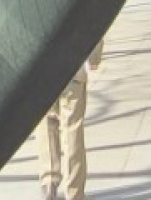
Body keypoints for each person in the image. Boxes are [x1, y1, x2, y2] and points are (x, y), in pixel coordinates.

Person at [38, 40, 105, 200]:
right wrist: (94, 58)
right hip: (72, 67)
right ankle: (74, 193)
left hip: (42, 68)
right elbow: (92, 26)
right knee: (72, 129)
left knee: (46, 124)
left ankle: (49, 182)